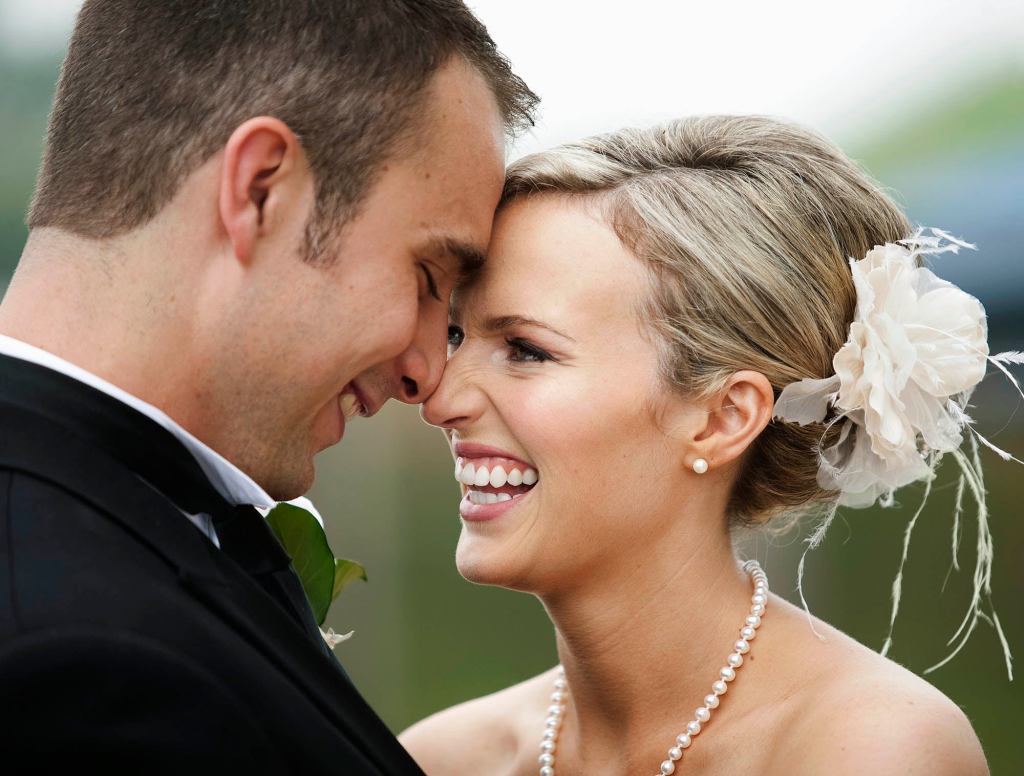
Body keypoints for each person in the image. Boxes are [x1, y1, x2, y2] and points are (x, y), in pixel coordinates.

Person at [0, 1, 536, 772]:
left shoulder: (132, 540)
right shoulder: (71, 667)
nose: (426, 371)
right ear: (259, 190)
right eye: (426, 276)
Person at [402, 116, 996, 774]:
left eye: (525, 350)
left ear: (723, 418)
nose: (439, 399)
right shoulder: (441, 758)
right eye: (456, 336)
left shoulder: (872, 750)